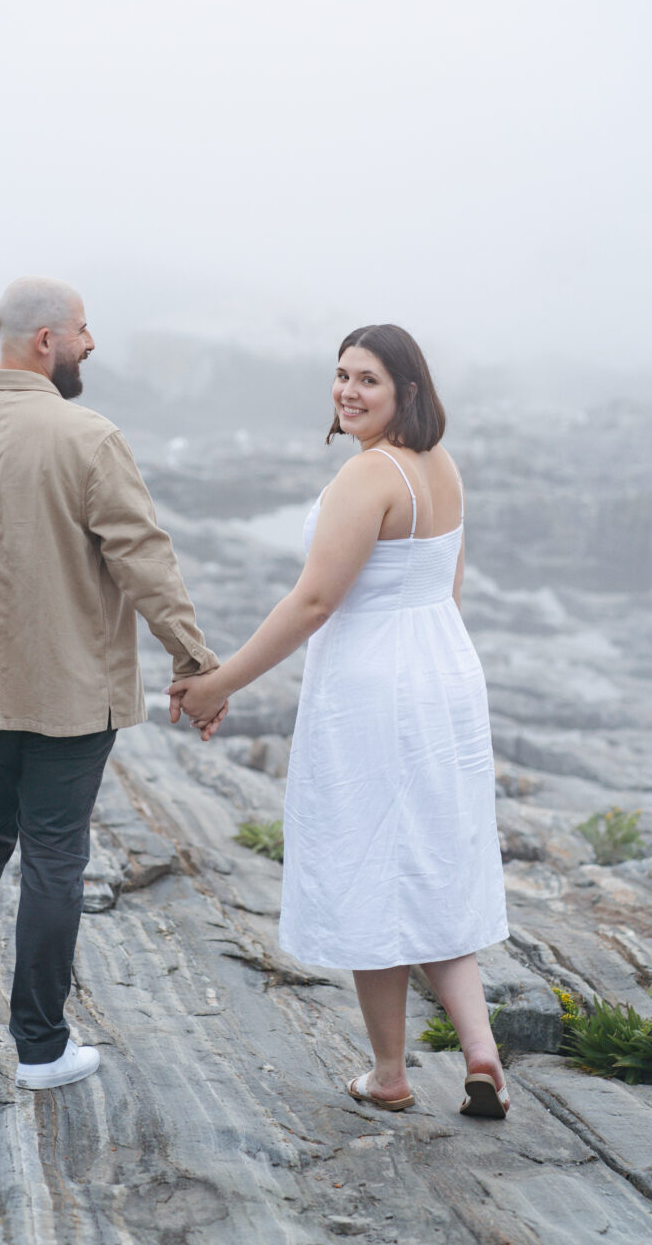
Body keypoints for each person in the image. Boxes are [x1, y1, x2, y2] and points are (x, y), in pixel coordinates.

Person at [171, 324, 510, 1117]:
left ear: (407, 393)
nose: (348, 392)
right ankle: (481, 1052)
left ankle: (390, 1075)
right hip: (443, 675)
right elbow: (445, 588)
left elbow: (315, 602)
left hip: (374, 688)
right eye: (341, 376)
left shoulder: (369, 477)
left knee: (366, 865)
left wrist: (217, 683)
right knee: (429, 861)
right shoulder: (441, 467)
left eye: (368, 381)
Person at [0, 276, 225, 1091]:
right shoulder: (89, 436)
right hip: (73, 695)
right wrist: (195, 663)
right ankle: (40, 1048)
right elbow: (142, 558)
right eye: (81, 331)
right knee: (52, 859)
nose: (89, 344)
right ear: (46, 340)